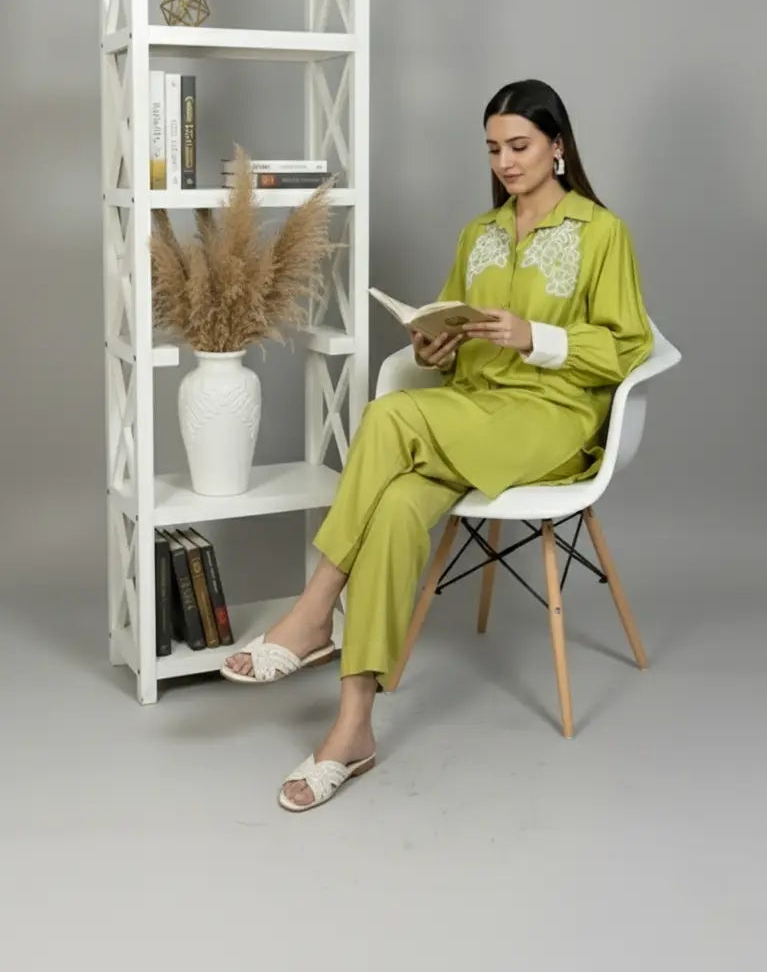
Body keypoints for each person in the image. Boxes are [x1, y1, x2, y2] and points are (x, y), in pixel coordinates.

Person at [222, 79, 654, 813]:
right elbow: (448, 346)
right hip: (470, 413)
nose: (506, 162)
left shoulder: (599, 233)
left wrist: (536, 337)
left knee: (390, 418)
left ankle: (314, 609)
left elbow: (626, 348)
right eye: (493, 149)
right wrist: (432, 346)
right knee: (391, 513)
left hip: (549, 421)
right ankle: (353, 730)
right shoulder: (478, 235)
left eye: (519, 146)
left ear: (557, 146)